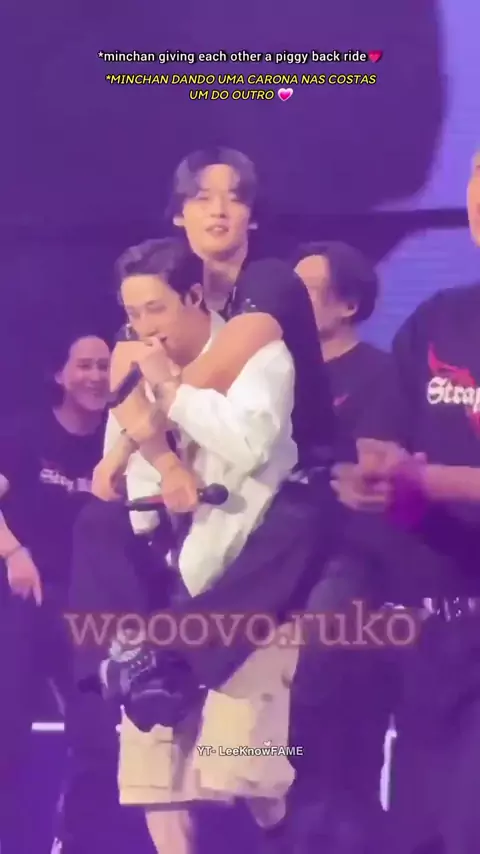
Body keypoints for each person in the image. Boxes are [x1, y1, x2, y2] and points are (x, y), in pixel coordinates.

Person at [331, 149, 480, 854]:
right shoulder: (437, 319)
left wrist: (429, 481)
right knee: (423, 829)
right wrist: (377, 482)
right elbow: (386, 445)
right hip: (433, 632)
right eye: (478, 181)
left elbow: (425, 476)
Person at [0, 333, 111, 854]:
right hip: (23, 600)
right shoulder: (26, 434)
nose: (96, 377)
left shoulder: (119, 441)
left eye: (105, 366)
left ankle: (76, 842)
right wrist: (13, 553)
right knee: (7, 733)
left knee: (98, 737)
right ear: (60, 375)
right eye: (84, 366)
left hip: (87, 610)